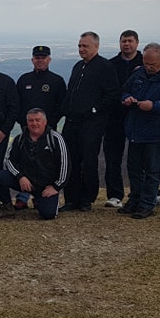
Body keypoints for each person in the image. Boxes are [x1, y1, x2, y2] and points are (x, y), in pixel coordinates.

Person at [119, 43, 160, 219]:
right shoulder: (139, 72)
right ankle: (135, 200)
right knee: (134, 168)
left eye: (152, 65)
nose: (148, 67)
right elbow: (125, 90)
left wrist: (153, 106)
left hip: (156, 131)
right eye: (146, 63)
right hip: (135, 129)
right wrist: (127, 99)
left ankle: (147, 204)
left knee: (152, 170)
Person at [61, 31, 120, 212]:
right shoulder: (78, 66)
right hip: (72, 122)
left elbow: (112, 94)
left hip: (92, 124)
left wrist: (95, 110)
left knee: (88, 162)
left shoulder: (105, 67)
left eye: (85, 46)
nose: (81, 49)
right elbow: (71, 92)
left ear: (96, 46)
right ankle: (71, 199)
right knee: (71, 161)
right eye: (79, 46)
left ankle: (87, 199)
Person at [0, 108, 68, 221]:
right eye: (31, 120)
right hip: (25, 182)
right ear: (27, 122)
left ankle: (40, 200)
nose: (34, 123)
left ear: (45, 122)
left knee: (48, 214)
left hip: (45, 186)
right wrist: (20, 176)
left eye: (37, 120)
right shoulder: (19, 139)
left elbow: (65, 165)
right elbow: (9, 161)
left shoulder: (55, 139)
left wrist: (56, 187)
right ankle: (7, 207)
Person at [13, 46, 67, 209]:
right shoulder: (24, 80)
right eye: (37, 57)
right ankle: (23, 196)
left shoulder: (56, 81)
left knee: (46, 163)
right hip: (26, 130)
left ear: (49, 59)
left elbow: (62, 106)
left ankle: (40, 194)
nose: (40, 60)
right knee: (24, 160)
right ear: (32, 60)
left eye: (43, 57)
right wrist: (23, 122)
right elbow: (16, 105)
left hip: (48, 131)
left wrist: (48, 124)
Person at [103, 30, 143, 209]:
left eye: (130, 41)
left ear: (137, 43)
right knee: (113, 158)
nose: (126, 44)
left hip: (139, 116)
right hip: (114, 117)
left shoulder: (145, 62)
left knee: (142, 158)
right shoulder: (110, 65)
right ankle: (114, 195)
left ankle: (147, 192)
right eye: (123, 41)